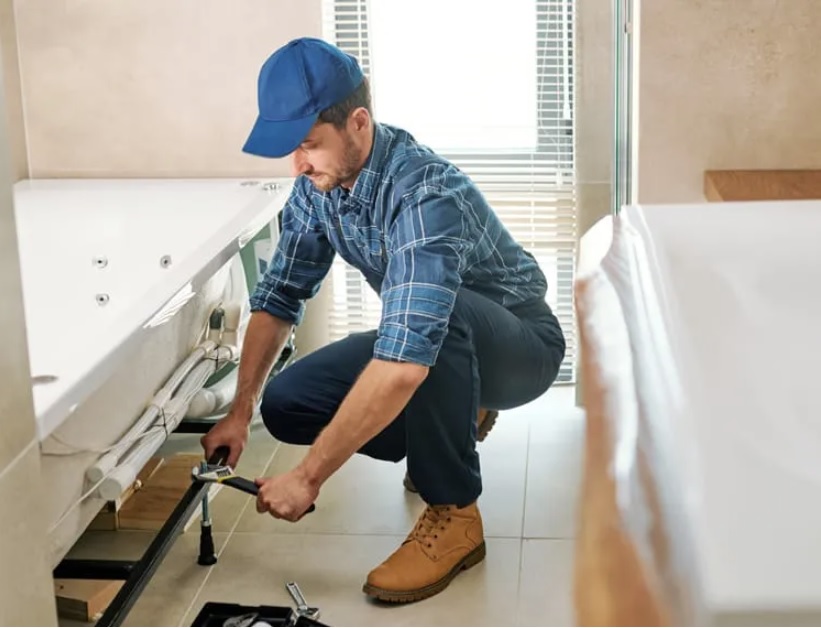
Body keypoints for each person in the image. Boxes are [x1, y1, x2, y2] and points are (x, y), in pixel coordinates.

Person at [202, 36, 566, 603]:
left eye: (308, 145)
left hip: (520, 345)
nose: (298, 164)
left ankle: (455, 515)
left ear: (359, 123)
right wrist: (239, 409)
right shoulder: (317, 187)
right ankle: (449, 420)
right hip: (436, 338)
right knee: (287, 402)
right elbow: (279, 297)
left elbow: (403, 359)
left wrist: (308, 477)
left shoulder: (424, 192)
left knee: (427, 334)